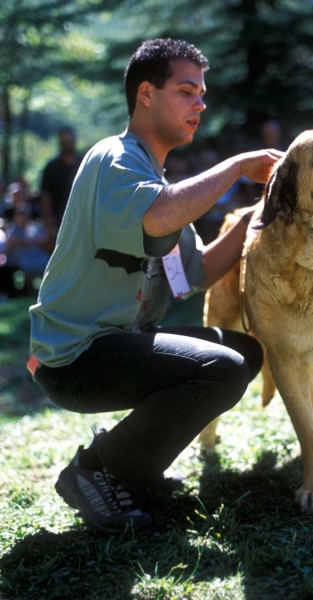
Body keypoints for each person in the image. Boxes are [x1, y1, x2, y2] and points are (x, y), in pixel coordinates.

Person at [28, 38, 283, 534]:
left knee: (242, 353)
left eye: (202, 93)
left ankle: (133, 466)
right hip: (74, 358)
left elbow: (196, 272)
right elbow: (159, 213)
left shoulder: (152, 177)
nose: (201, 104)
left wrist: (257, 214)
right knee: (220, 369)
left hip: (118, 346)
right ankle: (96, 470)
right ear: (146, 94)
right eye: (186, 91)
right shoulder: (116, 159)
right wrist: (234, 167)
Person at [40, 126, 83, 249]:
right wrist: (49, 229)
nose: (67, 144)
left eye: (69, 141)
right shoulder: (52, 167)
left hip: (82, 221)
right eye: (64, 141)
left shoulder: (84, 163)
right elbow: (45, 198)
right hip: (60, 222)